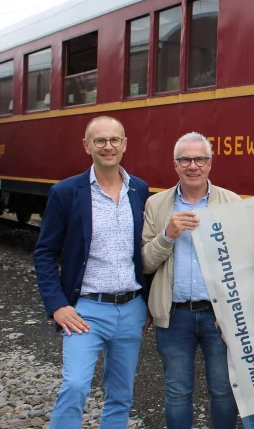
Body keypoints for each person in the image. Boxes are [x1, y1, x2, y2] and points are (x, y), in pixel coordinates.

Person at [34, 115, 150, 428]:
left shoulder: (139, 190)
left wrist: (149, 304)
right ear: (87, 146)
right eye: (100, 140)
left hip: (131, 309)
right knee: (74, 386)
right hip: (85, 309)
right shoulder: (66, 192)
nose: (108, 146)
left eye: (114, 140)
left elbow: (146, 251)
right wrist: (58, 305)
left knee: (121, 393)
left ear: (125, 144)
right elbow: (44, 253)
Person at [142, 132, 240, 429]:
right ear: (176, 165)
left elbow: (243, 264)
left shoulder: (231, 202)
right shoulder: (157, 205)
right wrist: (167, 235)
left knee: (224, 391)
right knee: (177, 391)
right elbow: (145, 262)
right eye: (185, 159)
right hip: (175, 315)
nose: (193, 166)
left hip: (218, 317)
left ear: (210, 164)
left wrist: (235, 316)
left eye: (200, 159)